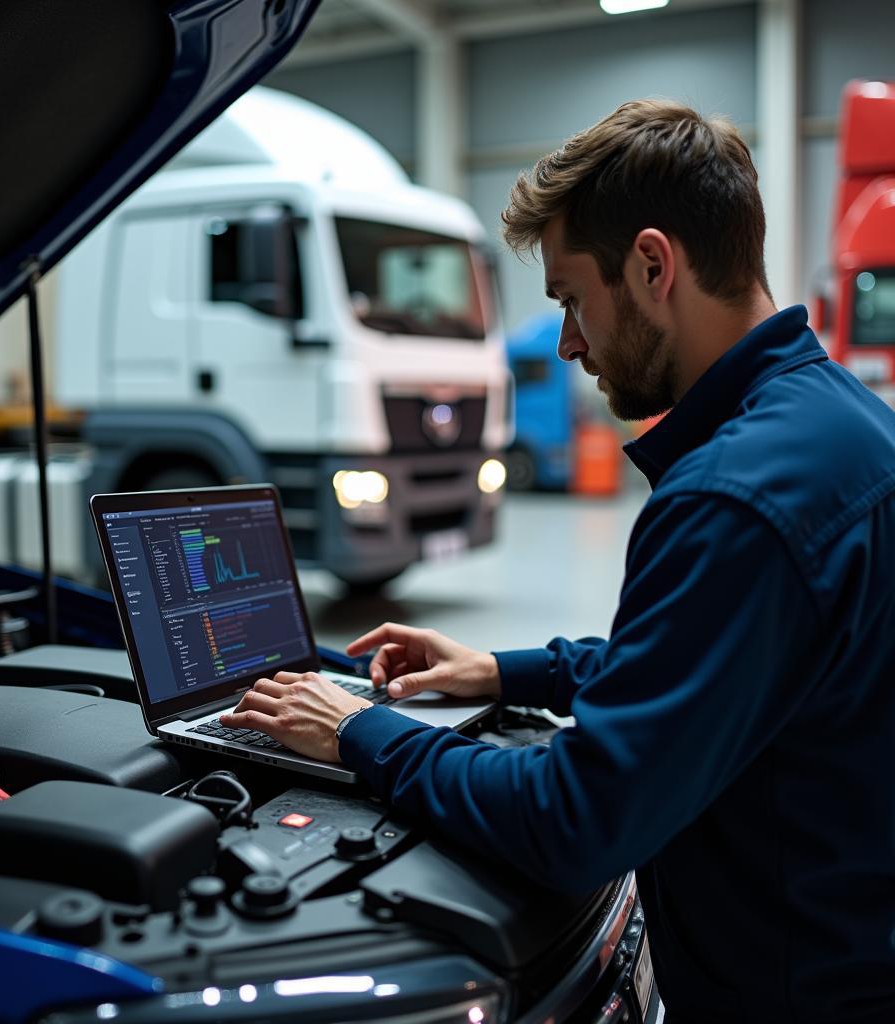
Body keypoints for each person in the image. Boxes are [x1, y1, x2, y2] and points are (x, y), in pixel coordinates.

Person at [220, 100, 895, 1023]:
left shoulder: (734, 498)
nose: (569, 342)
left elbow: (578, 821)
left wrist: (356, 733)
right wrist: (502, 670)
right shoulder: (843, 430)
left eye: (573, 298)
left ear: (654, 266)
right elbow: (723, 661)